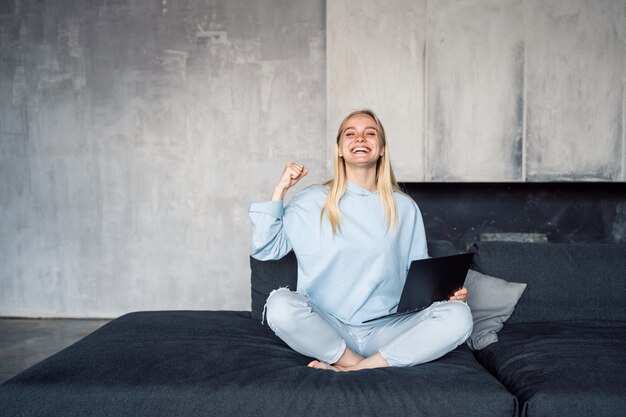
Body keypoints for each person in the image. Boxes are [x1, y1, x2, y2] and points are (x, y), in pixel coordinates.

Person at [248, 109, 472, 372]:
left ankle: (355, 370)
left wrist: (448, 296)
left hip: (387, 329)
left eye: (370, 133)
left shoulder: (405, 207)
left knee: (459, 317)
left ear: (382, 149)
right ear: (340, 149)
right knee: (279, 306)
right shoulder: (311, 201)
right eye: (350, 134)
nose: (360, 139)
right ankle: (358, 365)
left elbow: (418, 279)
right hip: (330, 327)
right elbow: (265, 248)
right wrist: (280, 189)